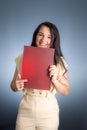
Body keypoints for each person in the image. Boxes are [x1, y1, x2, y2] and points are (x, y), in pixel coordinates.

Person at [10, 21, 70, 130]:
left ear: (53, 40)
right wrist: (16, 86)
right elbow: (13, 86)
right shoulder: (24, 57)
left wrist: (55, 80)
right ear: (35, 35)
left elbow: (66, 91)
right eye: (41, 34)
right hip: (25, 112)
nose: (43, 40)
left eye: (49, 37)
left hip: (49, 114)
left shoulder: (59, 62)